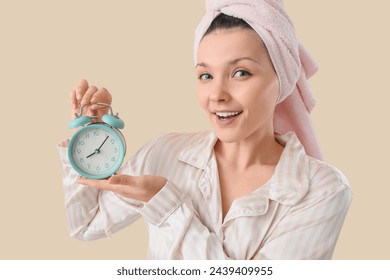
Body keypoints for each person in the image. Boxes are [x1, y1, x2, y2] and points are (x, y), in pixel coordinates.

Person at [58, 0, 352, 259]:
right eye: (206, 75)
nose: (217, 94)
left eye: (241, 73)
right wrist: (89, 142)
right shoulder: (164, 153)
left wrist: (167, 206)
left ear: (282, 78)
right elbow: (85, 225)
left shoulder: (323, 190)